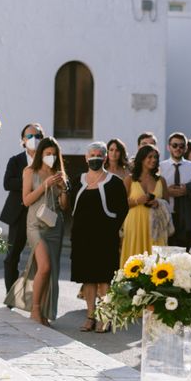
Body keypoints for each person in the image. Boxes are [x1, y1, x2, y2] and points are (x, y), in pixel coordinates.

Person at [5, 137, 69, 326]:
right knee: (45, 266)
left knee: (50, 270)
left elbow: (64, 206)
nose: (50, 157)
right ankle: (34, 310)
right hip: (35, 225)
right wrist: (45, 185)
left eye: (54, 154)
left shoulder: (59, 174)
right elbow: (26, 200)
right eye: (47, 153)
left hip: (55, 226)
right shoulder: (29, 171)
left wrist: (64, 189)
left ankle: (42, 311)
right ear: (41, 153)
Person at [71, 142, 128, 333]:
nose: (95, 157)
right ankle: (90, 316)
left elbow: (122, 210)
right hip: (82, 237)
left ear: (104, 158)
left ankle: (104, 317)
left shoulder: (115, 182)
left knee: (103, 278)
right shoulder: (78, 180)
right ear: (86, 158)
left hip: (105, 237)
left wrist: (112, 227)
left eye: (99, 154)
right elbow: (70, 207)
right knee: (87, 277)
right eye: (92, 154)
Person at [1, 123, 44, 293]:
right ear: (23, 140)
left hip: (40, 213)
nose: (34, 140)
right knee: (12, 256)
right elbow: (8, 183)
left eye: (37, 136)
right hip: (18, 213)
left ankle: (37, 297)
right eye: (30, 136)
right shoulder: (16, 160)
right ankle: (10, 295)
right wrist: (30, 183)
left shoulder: (47, 159)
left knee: (41, 258)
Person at [120, 144, 169, 265]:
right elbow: (120, 204)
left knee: (156, 262)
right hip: (134, 224)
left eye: (156, 157)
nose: (153, 160)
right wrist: (137, 201)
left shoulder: (161, 180)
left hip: (156, 226)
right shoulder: (129, 179)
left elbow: (167, 203)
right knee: (134, 261)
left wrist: (158, 203)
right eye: (150, 157)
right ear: (141, 159)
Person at [160, 132, 191, 250]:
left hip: (187, 218)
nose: (178, 148)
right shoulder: (160, 166)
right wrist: (166, 191)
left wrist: (188, 190)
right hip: (167, 215)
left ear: (186, 148)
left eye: (181, 146)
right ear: (169, 147)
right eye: (175, 145)